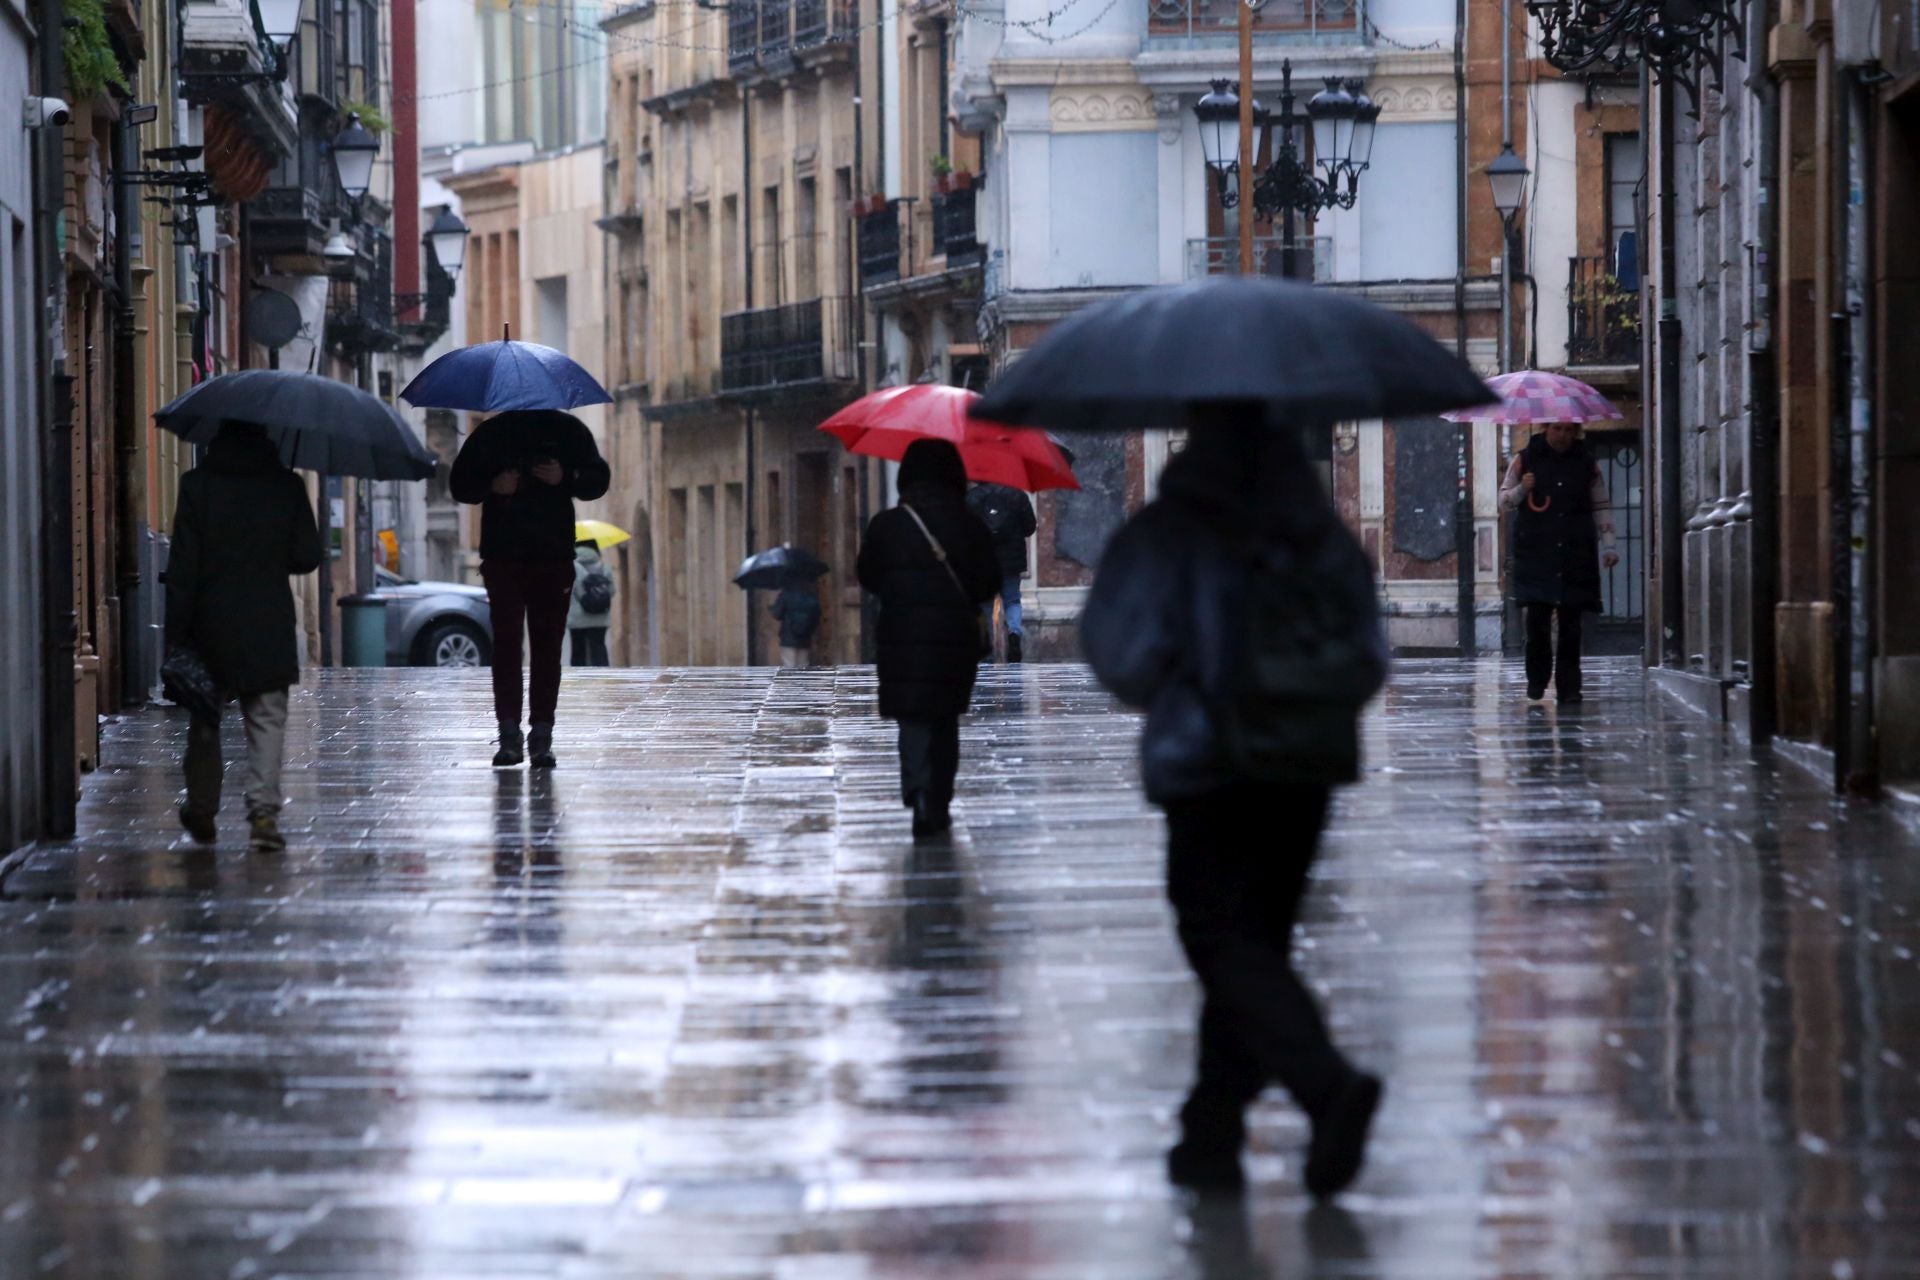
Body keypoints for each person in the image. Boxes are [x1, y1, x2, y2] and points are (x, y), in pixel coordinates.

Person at [1082, 412, 1388, 1202]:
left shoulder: (1170, 529)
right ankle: (1209, 1133)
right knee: (1254, 945)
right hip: (1305, 767)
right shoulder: (1318, 530)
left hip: (1208, 763)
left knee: (1222, 941)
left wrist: (1180, 686)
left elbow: (1117, 650)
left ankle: (1327, 1086)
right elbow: (1368, 655)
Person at [165, 421, 323, 852]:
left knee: (205, 718)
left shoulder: (197, 485)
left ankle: (201, 808)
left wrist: (176, 636)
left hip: (209, 622)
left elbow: (181, 568)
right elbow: (307, 556)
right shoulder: (285, 485)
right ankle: (263, 813)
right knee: (267, 718)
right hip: (267, 621)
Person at [856, 439, 1001, 838]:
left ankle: (919, 792)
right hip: (954, 638)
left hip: (902, 636)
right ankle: (939, 797)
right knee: (944, 717)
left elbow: (866, 575)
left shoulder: (888, 524)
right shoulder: (969, 523)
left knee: (913, 718)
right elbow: (988, 581)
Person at [449, 410, 611, 768]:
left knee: (547, 646)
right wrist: (494, 486)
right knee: (506, 644)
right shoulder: (491, 434)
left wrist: (564, 477)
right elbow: (460, 484)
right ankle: (508, 733)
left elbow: (598, 479)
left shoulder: (567, 431)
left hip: (552, 556)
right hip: (503, 556)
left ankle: (541, 734)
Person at [1499, 421, 1618, 705]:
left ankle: (1570, 688)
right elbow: (1505, 501)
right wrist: (1522, 490)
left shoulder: (1587, 464)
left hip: (1575, 552)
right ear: (1545, 429)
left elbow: (1601, 504)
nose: (1562, 436)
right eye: (1557, 429)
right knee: (1537, 622)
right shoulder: (1524, 460)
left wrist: (1609, 545)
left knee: (1571, 624)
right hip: (1536, 552)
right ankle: (1537, 680)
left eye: (1568, 430)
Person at [964, 481, 1037, 662]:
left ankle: (987, 646)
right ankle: (1014, 634)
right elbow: (1030, 527)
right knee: (1012, 600)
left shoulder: (971, 498)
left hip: (982, 561)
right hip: (1011, 561)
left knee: (985, 605)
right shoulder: (1017, 496)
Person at [568, 538, 614, 667]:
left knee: (578, 649)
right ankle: (602, 674)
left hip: (577, 617)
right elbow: (612, 590)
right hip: (600, 615)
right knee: (599, 646)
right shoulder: (603, 567)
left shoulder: (573, 566)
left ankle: (578, 677)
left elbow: (571, 589)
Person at [770, 576, 823, 667]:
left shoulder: (785, 594)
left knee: (789, 666)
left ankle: (791, 682)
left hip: (788, 636)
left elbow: (777, 614)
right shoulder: (810, 596)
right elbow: (816, 615)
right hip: (805, 637)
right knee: (803, 667)